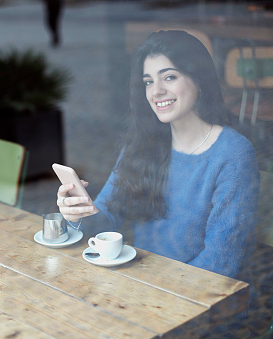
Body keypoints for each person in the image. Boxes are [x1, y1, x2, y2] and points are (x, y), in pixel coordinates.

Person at [57, 30, 259, 288]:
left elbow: (220, 263)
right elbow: (107, 216)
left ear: (199, 80)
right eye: (148, 82)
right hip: (144, 286)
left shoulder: (232, 153)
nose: (157, 91)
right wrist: (77, 213)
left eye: (169, 77)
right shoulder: (145, 143)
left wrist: (150, 289)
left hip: (199, 299)